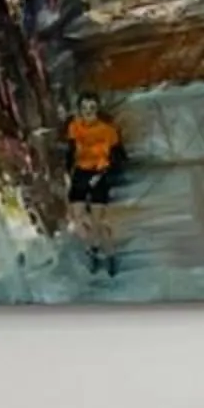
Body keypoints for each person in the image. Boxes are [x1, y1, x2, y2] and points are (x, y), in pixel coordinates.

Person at [64, 91, 125, 274]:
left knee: (98, 221)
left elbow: (119, 157)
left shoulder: (108, 130)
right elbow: (70, 152)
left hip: (101, 173)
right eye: (84, 108)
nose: (88, 111)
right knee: (77, 218)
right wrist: (67, 171)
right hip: (81, 173)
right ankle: (91, 248)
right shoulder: (74, 127)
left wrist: (106, 171)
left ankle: (110, 255)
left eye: (92, 108)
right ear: (79, 109)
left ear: (97, 109)